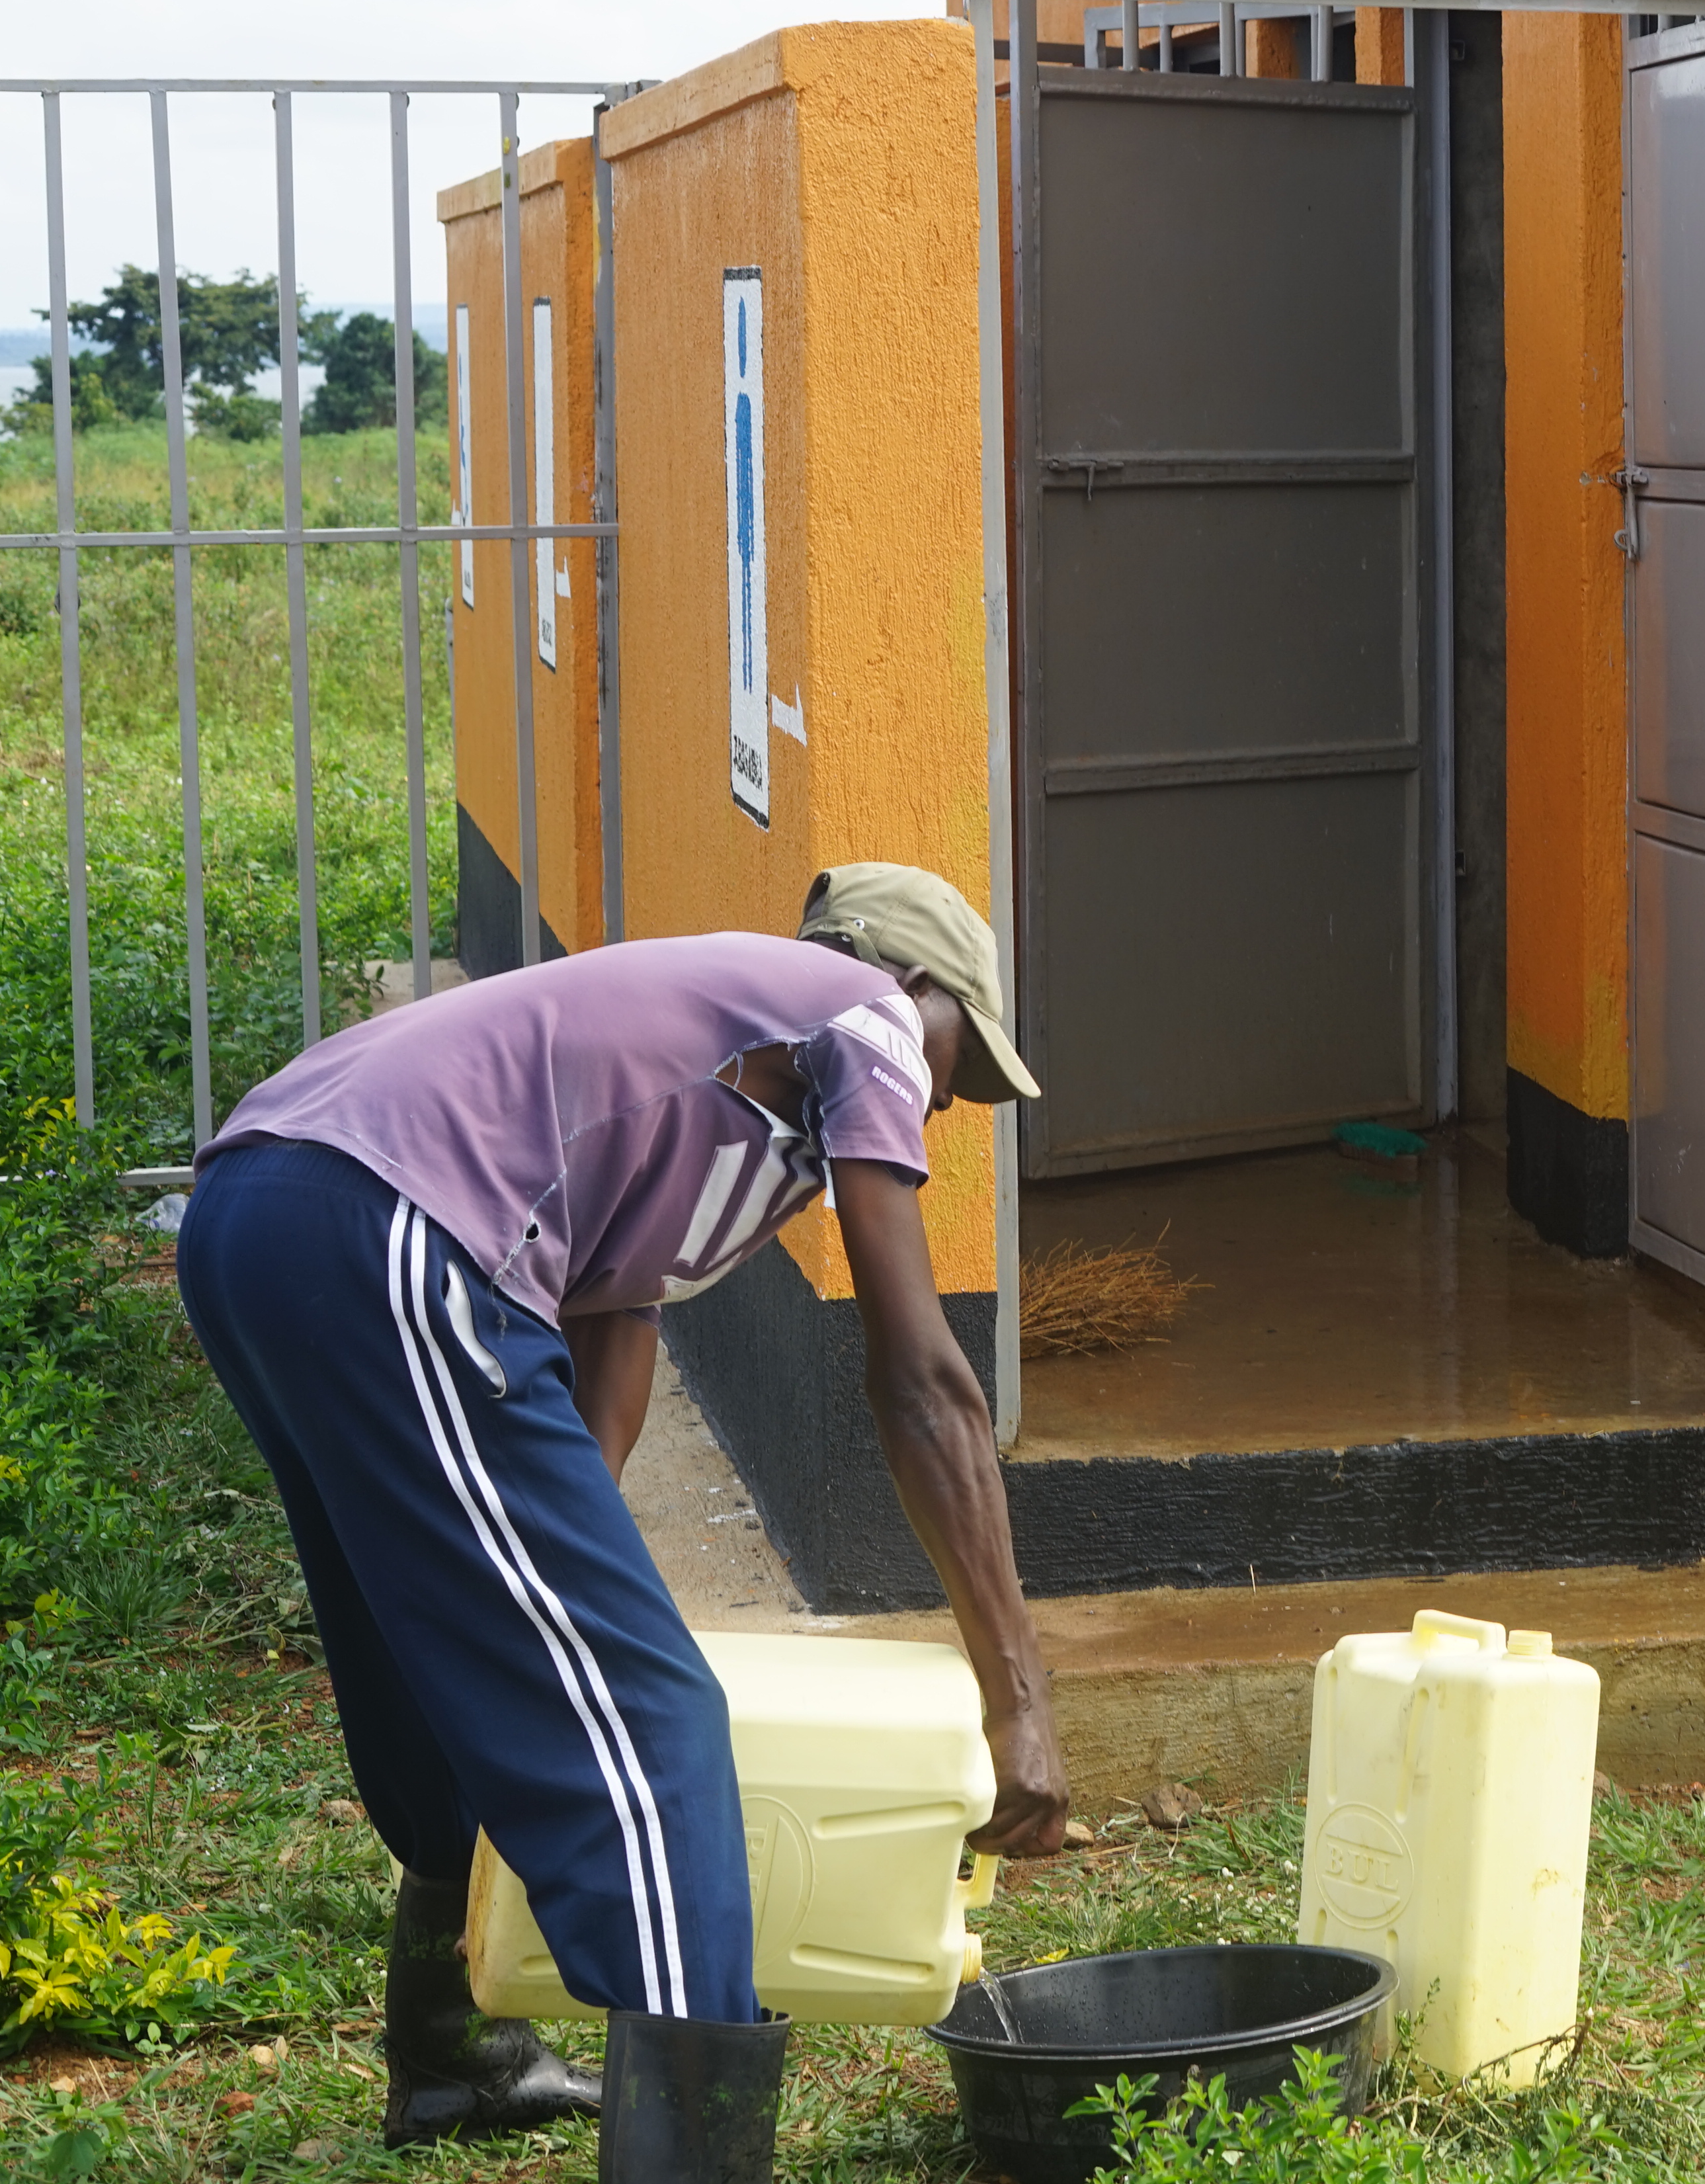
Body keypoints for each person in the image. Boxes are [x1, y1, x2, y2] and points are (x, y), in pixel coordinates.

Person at [177, 863, 1071, 2181]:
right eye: (961, 1061)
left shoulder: (698, 1063)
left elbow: (608, 1343)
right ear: (916, 985)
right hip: (383, 1223)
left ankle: (456, 2060)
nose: (943, 1101)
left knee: (465, 1664)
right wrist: (1020, 1697)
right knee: (658, 1731)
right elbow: (926, 1384)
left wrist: (561, 1599)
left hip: (260, 1211)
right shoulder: (865, 1014)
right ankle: (696, 2160)